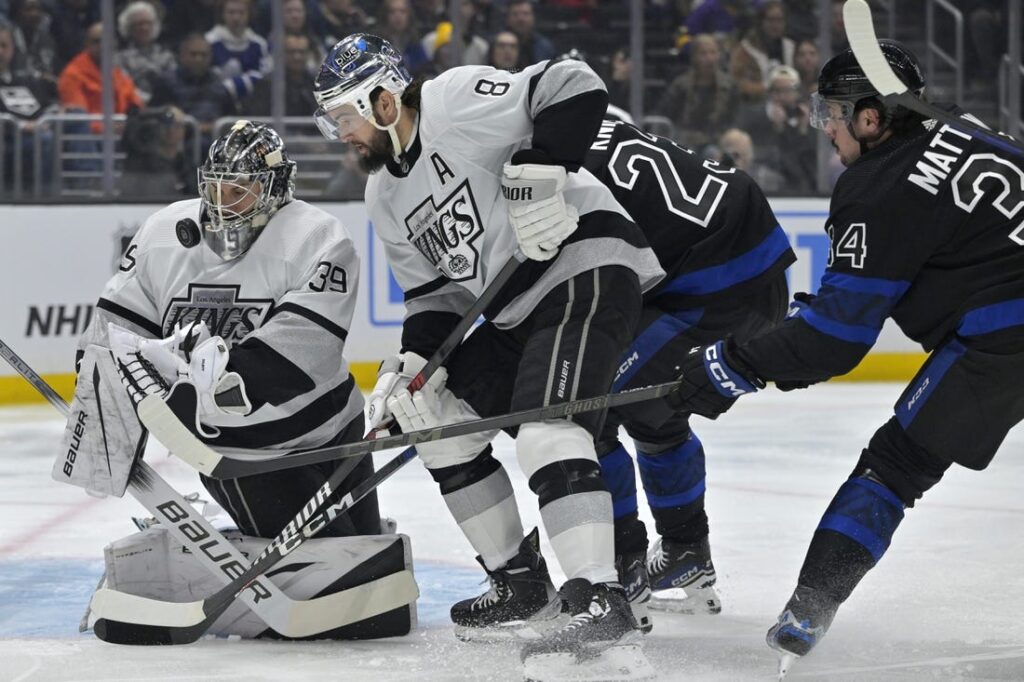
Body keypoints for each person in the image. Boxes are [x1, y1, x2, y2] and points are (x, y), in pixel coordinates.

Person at [664, 40, 1024, 674]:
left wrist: (731, 362)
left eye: (833, 112)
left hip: (1007, 332)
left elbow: (836, 338)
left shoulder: (878, 186)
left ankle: (808, 614)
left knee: (893, 467)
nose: (825, 127)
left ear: (870, 117)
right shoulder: (963, 126)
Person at [313, 34, 664, 677]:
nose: (341, 133)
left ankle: (599, 596)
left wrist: (545, 168)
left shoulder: (452, 100)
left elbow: (574, 81)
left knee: (546, 429)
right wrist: (413, 365)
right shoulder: (382, 197)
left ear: (383, 99)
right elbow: (435, 298)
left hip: (583, 260)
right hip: (515, 307)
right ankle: (520, 582)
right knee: (431, 414)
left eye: (344, 116)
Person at [70, 120, 412, 640]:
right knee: (322, 571)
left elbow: (305, 352)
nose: (224, 202)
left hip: (325, 434)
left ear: (274, 188)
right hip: (234, 451)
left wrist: (222, 383)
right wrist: (107, 411)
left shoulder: (315, 235)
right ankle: (192, 572)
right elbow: (112, 330)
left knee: (361, 554)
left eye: (240, 188)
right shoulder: (165, 232)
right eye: (216, 187)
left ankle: (206, 571)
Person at [583, 116, 795, 619]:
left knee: (587, 410)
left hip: (715, 291)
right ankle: (684, 552)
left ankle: (623, 570)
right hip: (756, 278)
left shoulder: (552, 167)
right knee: (653, 407)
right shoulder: (603, 126)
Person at [204, 0, 272, 104]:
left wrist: (238, 84)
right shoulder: (210, 41)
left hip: (253, 102)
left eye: (241, 13)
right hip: (218, 100)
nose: (236, 18)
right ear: (222, 14)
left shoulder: (259, 44)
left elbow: (265, 76)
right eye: (231, 12)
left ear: (249, 15)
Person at [115, 1, 176, 104]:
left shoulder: (167, 56)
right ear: (128, 27)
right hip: (133, 106)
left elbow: (174, 84)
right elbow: (123, 85)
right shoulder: (120, 58)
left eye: (148, 23)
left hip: (165, 106)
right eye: (139, 24)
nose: (144, 28)